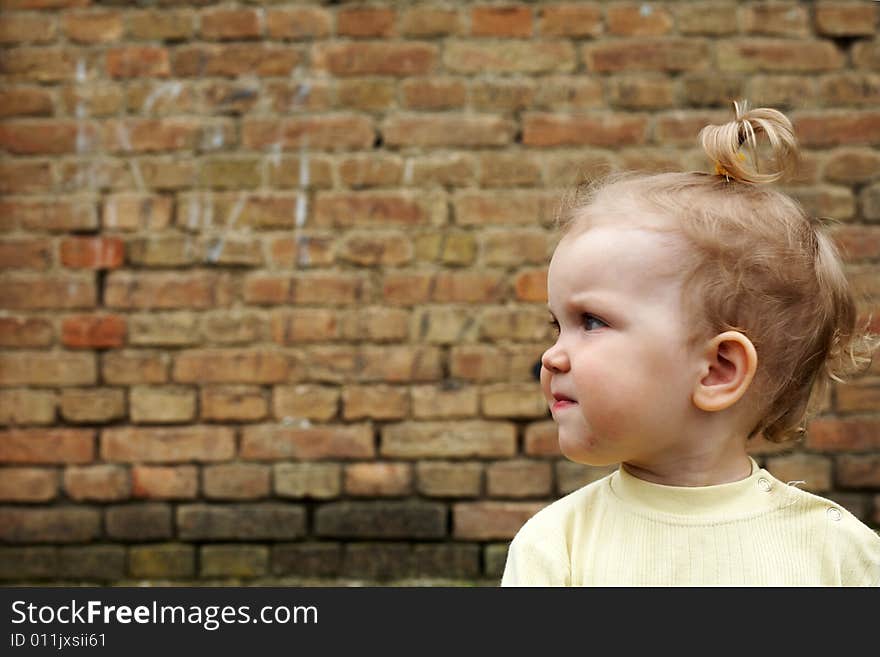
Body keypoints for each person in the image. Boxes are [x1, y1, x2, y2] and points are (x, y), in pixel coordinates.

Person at [501, 100, 880, 586]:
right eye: (557, 325)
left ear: (718, 369)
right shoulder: (556, 547)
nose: (552, 356)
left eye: (591, 322)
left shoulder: (841, 554)